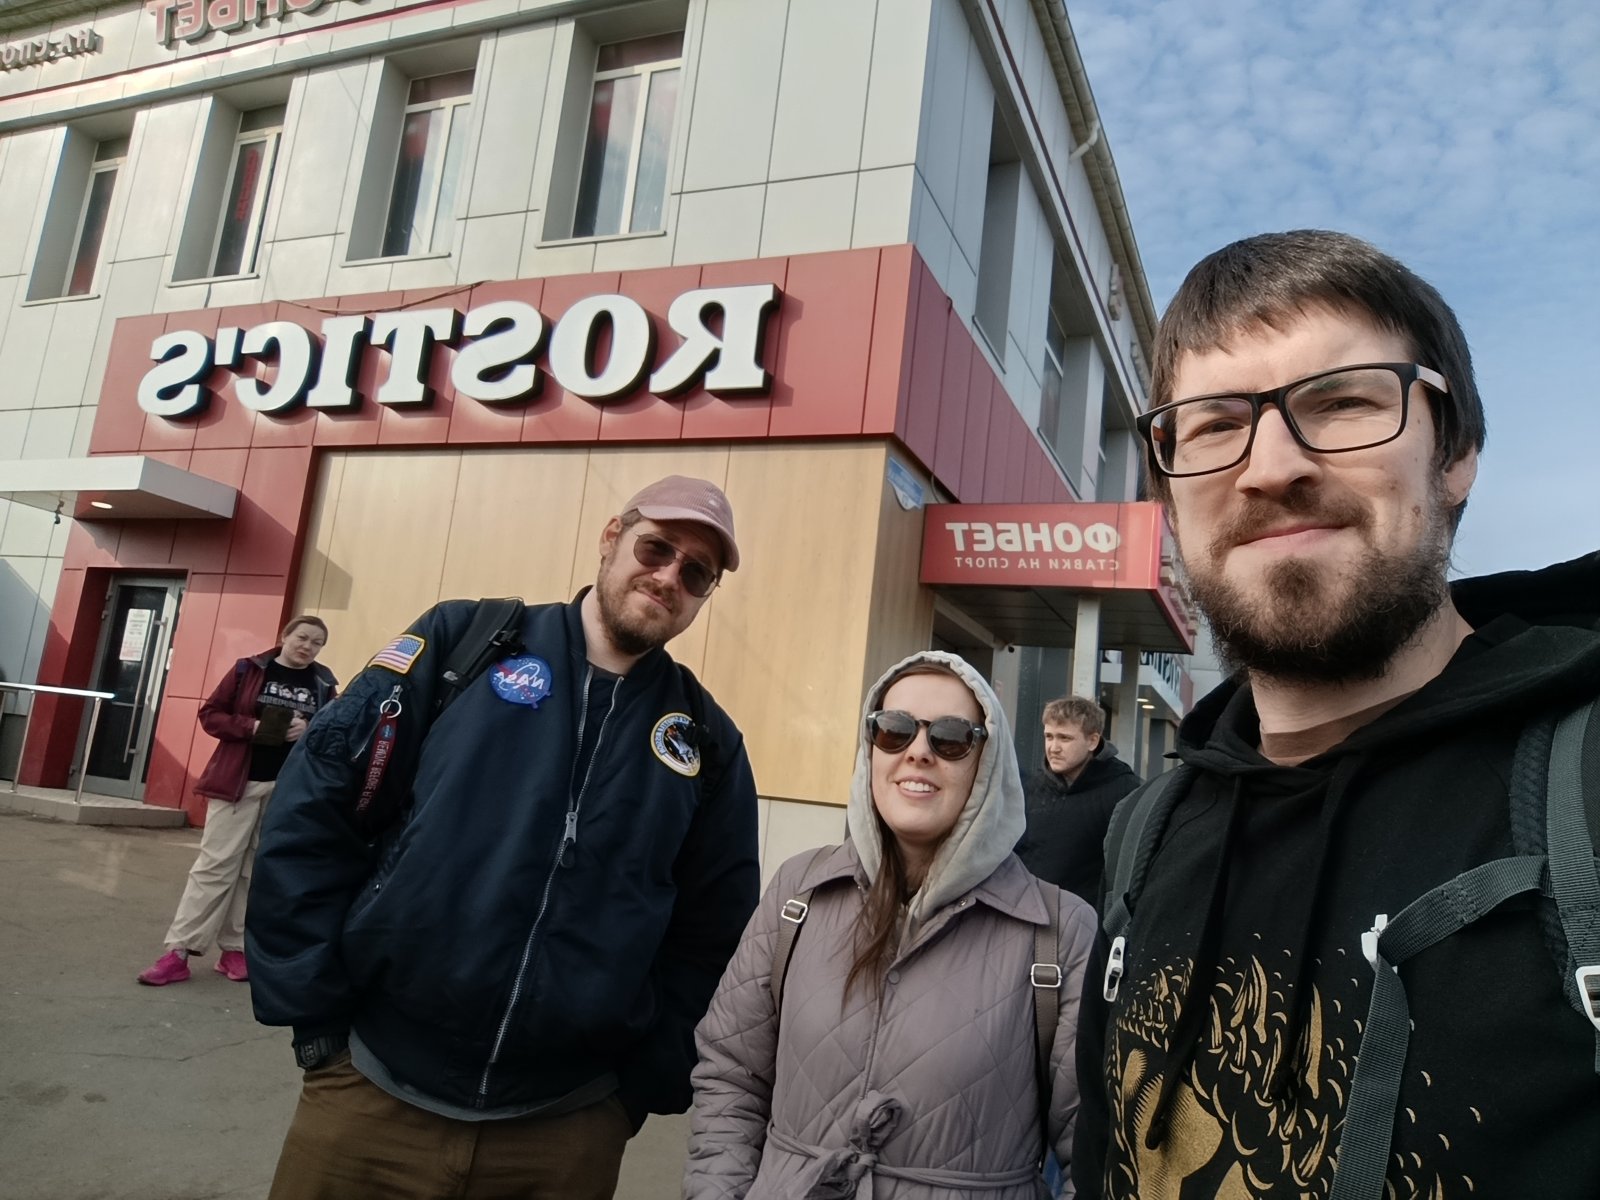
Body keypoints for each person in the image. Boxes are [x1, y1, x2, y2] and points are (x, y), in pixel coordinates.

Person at [1071, 230, 1600, 1198]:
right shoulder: (1144, 836)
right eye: (1213, 424)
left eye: (1343, 402)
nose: (1271, 467)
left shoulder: (1583, 794)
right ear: (1168, 494)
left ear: (1456, 454)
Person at [246, 475, 762, 1200]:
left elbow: (716, 932)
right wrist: (316, 1017)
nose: (669, 576)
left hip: (565, 1132)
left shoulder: (706, 742)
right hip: (368, 1095)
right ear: (612, 538)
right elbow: (315, 807)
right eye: (657, 548)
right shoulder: (465, 642)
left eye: (697, 572)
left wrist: (637, 1087)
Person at [686, 650, 1097, 1199]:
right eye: (894, 730)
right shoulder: (798, 892)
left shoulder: (1061, 932)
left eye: (951, 738)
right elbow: (730, 1075)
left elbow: (1095, 1150)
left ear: (987, 761)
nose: (918, 752)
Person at [136, 616, 336, 987]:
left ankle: (234, 949)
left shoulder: (323, 683)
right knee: (215, 866)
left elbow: (332, 733)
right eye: (302, 637)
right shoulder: (250, 670)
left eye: (317, 642)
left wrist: (310, 729)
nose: (308, 646)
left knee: (255, 871)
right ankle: (179, 951)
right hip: (238, 783)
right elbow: (210, 715)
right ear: (285, 636)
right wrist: (252, 727)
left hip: (286, 790)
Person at [1014, 696, 1141, 905]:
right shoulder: (1028, 789)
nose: (1054, 747)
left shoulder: (1126, 792)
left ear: (1092, 741)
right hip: (1027, 913)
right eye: (1049, 737)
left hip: (1090, 918)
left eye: (1064, 738)